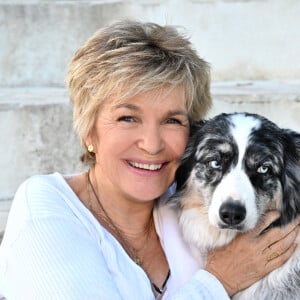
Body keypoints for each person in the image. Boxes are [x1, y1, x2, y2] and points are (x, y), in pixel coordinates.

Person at [0, 20, 299, 300]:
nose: (152, 144)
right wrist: (218, 281)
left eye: (172, 120)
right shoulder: (45, 211)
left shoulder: (187, 208)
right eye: (128, 118)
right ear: (89, 129)